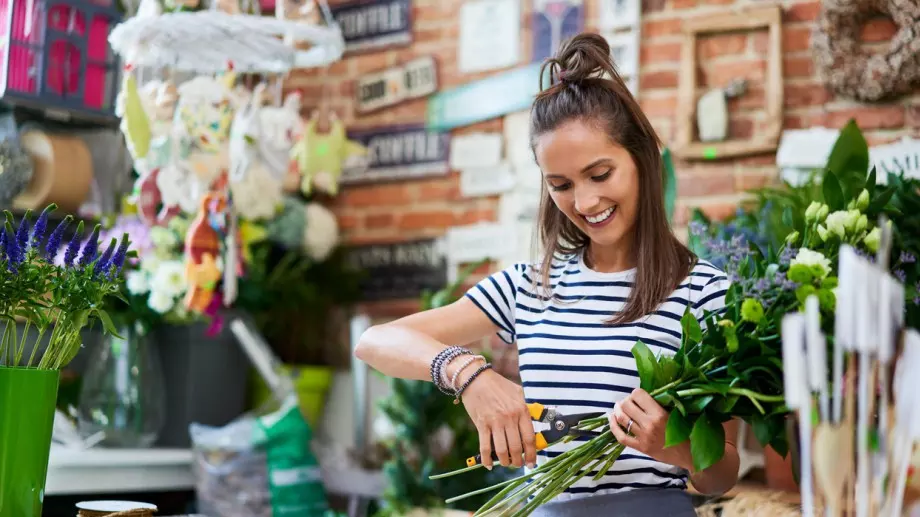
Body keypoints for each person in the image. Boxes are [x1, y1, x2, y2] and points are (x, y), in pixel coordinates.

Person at [354, 32, 739, 516]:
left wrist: (674, 448)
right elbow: (375, 341)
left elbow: (723, 472)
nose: (584, 202)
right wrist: (471, 375)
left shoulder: (705, 293)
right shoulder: (529, 286)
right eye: (561, 184)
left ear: (642, 158)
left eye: (600, 175)